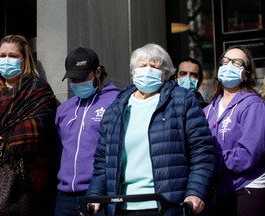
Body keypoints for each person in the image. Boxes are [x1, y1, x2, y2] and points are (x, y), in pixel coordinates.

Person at [85, 43, 216, 216]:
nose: (147, 70)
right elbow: (103, 161)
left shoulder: (182, 101)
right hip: (123, 207)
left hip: (166, 205)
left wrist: (195, 192)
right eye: (142, 66)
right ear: (133, 72)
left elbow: (202, 152)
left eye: (154, 66)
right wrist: (94, 195)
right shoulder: (116, 109)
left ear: (166, 74)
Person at [0, 35, 58, 215]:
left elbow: (35, 128)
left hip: (28, 174)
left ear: (24, 59)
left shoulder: (38, 89)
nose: (6, 60)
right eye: (2, 55)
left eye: (13, 56)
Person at [54, 47, 120, 216]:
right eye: (73, 79)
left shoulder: (117, 101)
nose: (77, 82)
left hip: (100, 194)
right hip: (65, 196)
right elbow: (60, 149)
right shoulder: (64, 109)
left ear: (98, 71)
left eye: (82, 77)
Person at [203, 45, 265, 216]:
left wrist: (211, 161)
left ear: (246, 73)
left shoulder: (253, 104)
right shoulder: (208, 110)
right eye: (225, 61)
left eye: (237, 63)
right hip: (222, 189)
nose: (229, 66)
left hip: (247, 187)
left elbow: (249, 154)